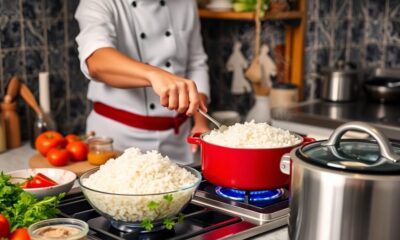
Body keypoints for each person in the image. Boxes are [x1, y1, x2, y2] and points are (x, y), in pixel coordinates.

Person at [75, 0, 210, 165]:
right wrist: (154, 75)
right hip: (117, 144)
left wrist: (200, 122)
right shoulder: (98, 2)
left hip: (178, 141)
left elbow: (196, 62)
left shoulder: (186, 3)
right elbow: (96, 61)